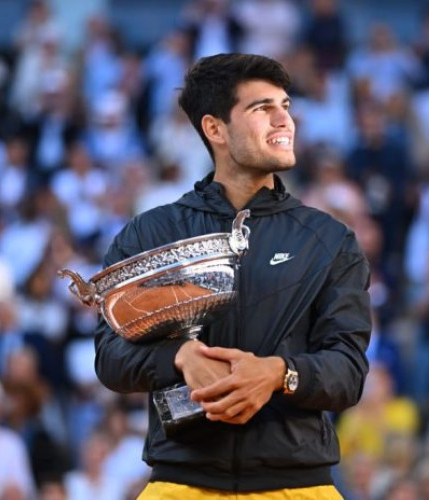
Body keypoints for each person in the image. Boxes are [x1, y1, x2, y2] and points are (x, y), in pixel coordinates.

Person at [94, 53, 371, 499]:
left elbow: (349, 371)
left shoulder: (329, 239)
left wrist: (280, 373)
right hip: (180, 484)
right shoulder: (152, 232)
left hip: (299, 486)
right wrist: (180, 357)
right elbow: (110, 357)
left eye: (286, 105)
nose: (285, 120)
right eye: (263, 108)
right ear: (215, 129)